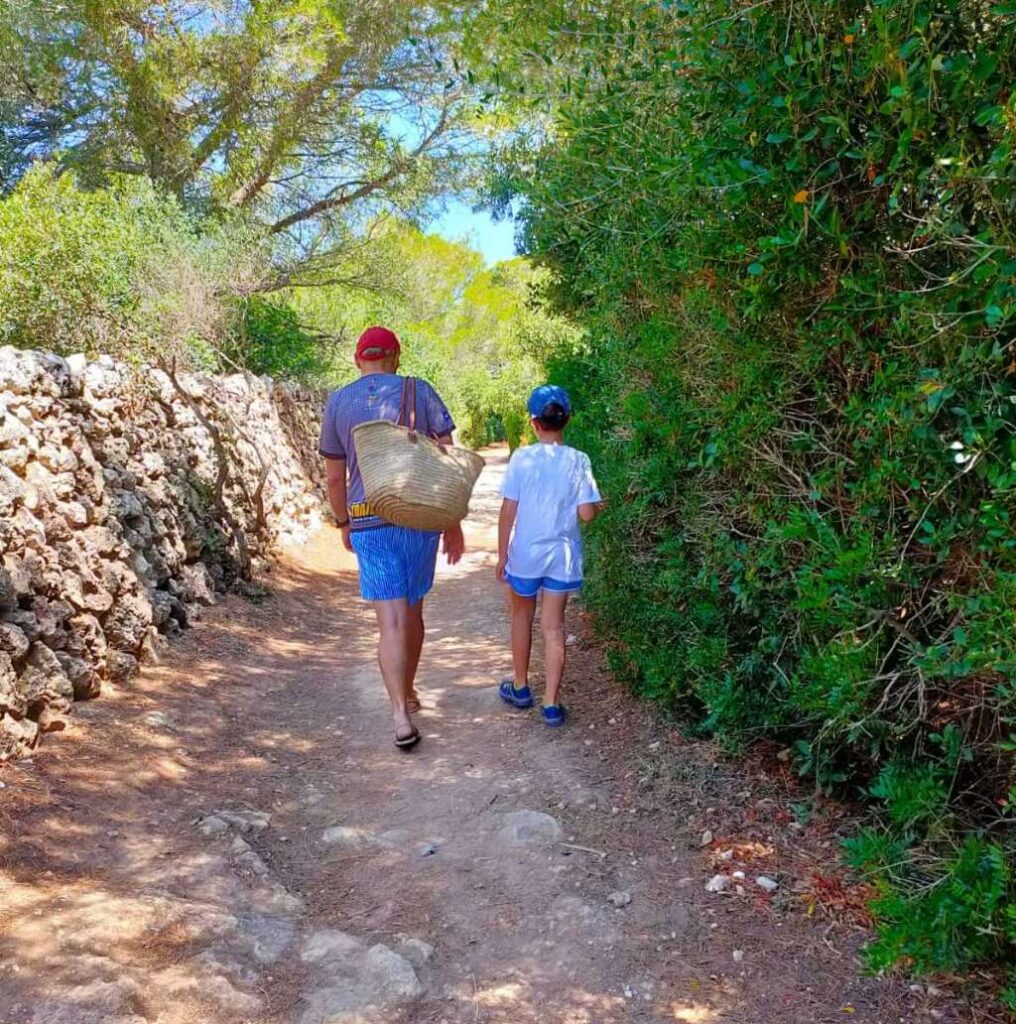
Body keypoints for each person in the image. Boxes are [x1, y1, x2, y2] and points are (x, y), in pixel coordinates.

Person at [319, 326, 465, 751]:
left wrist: (343, 522)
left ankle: (400, 713)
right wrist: (452, 521)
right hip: (418, 514)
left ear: (356, 359)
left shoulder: (338, 402)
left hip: (368, 518)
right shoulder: (420, 391)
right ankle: (410, 689)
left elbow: (333, 476)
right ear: (396, 357)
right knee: (413, 610)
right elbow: (447, 461)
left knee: (391, 620)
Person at [495, 385, 601, 727]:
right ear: (567, 420)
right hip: (563, 557)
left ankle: (521, 686)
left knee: (521, 618)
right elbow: (586, 515)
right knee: (554, 627)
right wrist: (596, 505)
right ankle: (552, 704)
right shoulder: (579, 460)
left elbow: (508, 510)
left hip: (526, 555)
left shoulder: (522, 458)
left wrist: (501, 555)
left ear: (533, 422)